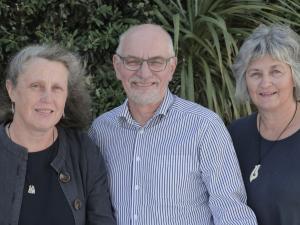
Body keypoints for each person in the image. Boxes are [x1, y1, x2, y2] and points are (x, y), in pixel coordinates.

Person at [89, 23, 257, 225]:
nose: (144, 73)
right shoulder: (101, 130)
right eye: (132, 61)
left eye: (156, 62)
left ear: (172, 67)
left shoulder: (204, 126)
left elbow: (231, 211)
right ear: (117, 66)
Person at [0, 44, 116, 225]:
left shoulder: (83, 152)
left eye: (57, 88)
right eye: (36, 86)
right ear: (12, 90)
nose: (47, 98)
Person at [228, 24, 300, 225]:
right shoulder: (235, 134)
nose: (265, 83)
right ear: (245, 81)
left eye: (276, 71)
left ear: (294, 77)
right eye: (256, 74)